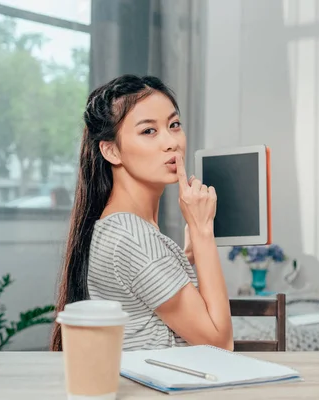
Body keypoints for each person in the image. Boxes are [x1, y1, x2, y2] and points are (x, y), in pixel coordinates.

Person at [50, 75, 233, 351]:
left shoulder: (115, 226)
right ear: (111, 151)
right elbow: (220, 342)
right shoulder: (134, 238)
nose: (171, 142)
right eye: (149, 131)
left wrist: (186, 257)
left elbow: (138, 293)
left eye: (174, 125)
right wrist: (202, 229)